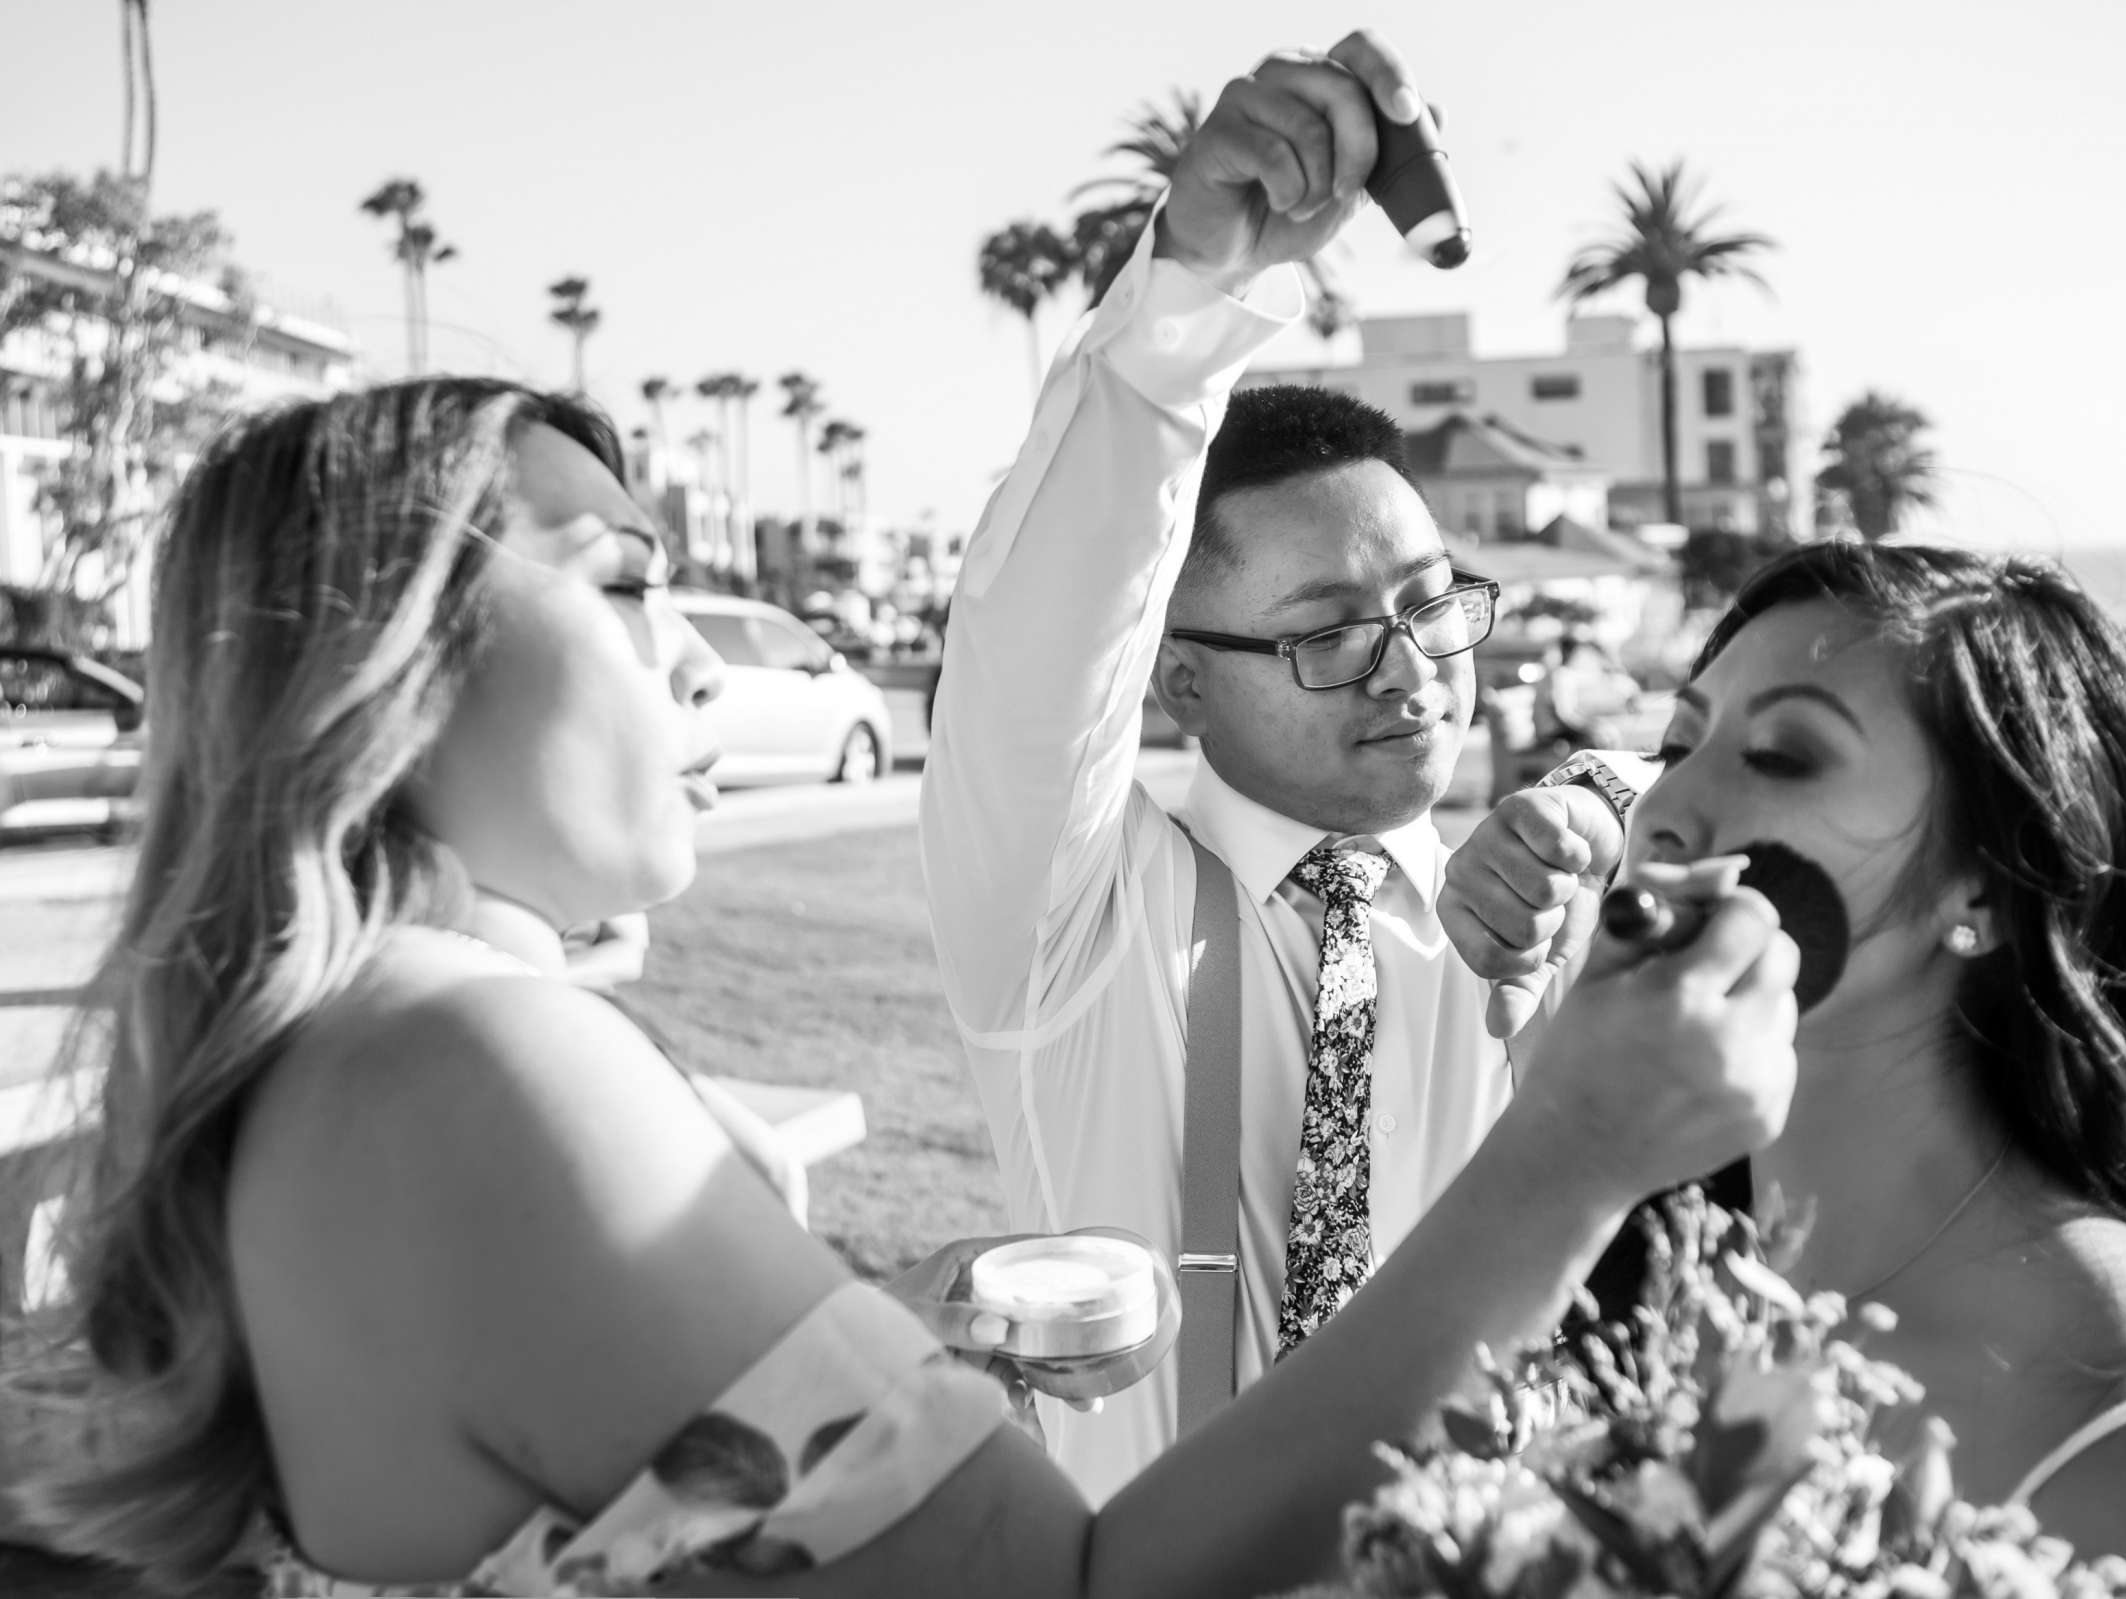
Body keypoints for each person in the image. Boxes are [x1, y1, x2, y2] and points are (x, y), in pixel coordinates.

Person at [0, 35, 1806, 1599]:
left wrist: (875, 1325)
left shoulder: (345, 1062)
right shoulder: (481, 1061)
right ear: (394, 658)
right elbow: (1071, 1582)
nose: (698, 660)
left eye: (1434, 608)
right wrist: (1575, 1154)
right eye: (623, 581)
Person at [1439, 540, 2126, 1598]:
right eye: (1678, 740)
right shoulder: (1650, 1268)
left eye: (1784, 755)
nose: (1663, 810)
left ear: (1985, 891)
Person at [922, 56, 1601, 1501]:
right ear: (1181, 680)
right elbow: (1038, 642)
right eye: (1328, 637)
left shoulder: (1533, 918)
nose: (1414, 668)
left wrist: (1594, 854)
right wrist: (1188, 294)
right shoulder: (1076, 931)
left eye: (1430, 603)